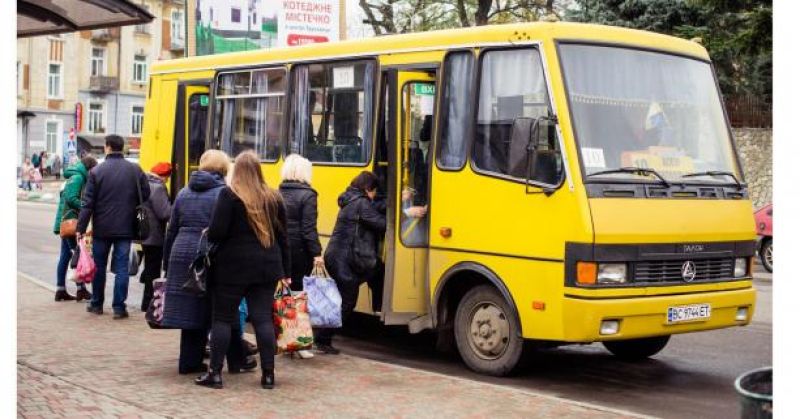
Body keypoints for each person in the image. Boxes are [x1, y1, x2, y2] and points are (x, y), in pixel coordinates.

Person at [196, 151, 290, 390]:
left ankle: (215, 374)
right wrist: (286, 271)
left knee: (223, 320)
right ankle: (268, 375)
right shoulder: (274, 198)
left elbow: (217, 233)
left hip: (231, 269)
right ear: (259, 171)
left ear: (237, 172)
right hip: (266, 268)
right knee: (262, 320)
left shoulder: (229, 196)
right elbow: (283, 238)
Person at [162, 150, 253, 375]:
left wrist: (166, 261)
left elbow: (171, 229)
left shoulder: (184, 192)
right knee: (225, 309)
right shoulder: (224, 193)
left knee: (190, 309)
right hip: (210, 254)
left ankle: (188, 362)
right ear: (224, 169)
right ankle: (236, 360)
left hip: (181, 252)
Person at [77, 134, 151, 319]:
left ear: (107, 147)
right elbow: (146, 194)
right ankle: (119, 307)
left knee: (99, 266)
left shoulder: (96, 172)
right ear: (122, 148)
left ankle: (96, 304)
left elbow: (88, 203)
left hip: (101, 228)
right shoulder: (135, 170)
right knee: (122, 268)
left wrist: (81, 227)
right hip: (126, 227)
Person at [315, 171, 387, 355]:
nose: (373, 197)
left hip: (337, 257)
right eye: (373, 192)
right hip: (343, 261)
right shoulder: (361, 203)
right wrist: (406, 213)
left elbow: (376, 207)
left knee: (376, 270)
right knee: (347, 301)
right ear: (367, 189)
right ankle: (322, 338)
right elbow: (381, 223)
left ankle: (322, 336)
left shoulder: (352, 199)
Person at [278, 154, 323, 360]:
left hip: (279, 249)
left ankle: (282, 339)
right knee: (299, 297)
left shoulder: (277, 193)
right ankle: (299, 343)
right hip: (298, 252)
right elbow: (308, 230)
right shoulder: (308, 196)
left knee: (282, 296)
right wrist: (316, 253)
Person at [52, 156, 98, 302]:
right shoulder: (78, 178)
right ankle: (80, 289)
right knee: (77, 255)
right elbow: (71, 198)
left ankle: (61, 290)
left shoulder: (75, 176)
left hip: (66, 222)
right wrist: (86, 206)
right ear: (89, 168)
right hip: (70, 223)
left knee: (66, 256)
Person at [139, 162, 172, 311]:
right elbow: (164, 212)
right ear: (164, 176)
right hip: (154, 234)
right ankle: (149, 304)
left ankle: (146, 303)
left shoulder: (144, 183)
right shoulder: (157, 187)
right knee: (153, 270)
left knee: (149, 267)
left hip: (144, 232)